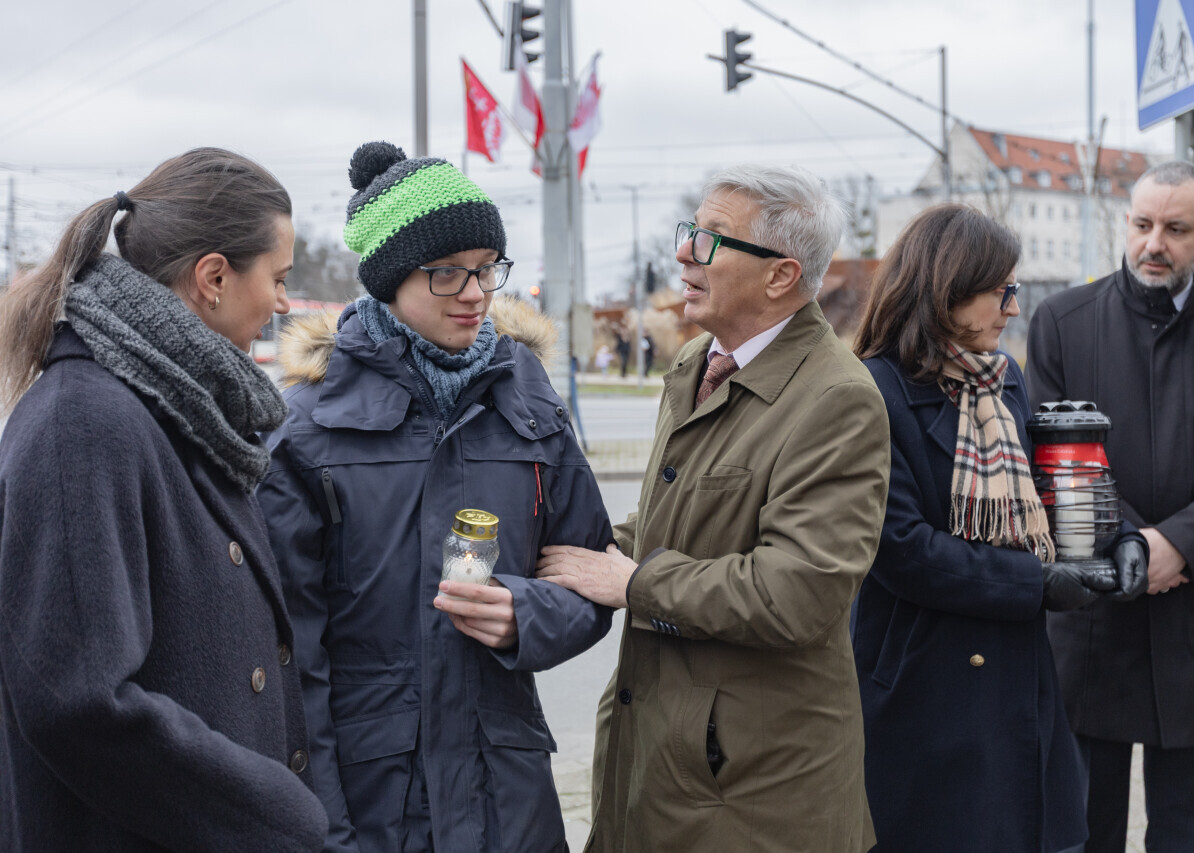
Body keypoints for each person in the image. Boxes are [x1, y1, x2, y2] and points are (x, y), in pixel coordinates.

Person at [258, 141, 615, 853]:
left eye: (487, 267)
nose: (477, 292)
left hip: (508, 803)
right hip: (372, 804)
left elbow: (591, 578)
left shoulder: (533, 404)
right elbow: (288, 657)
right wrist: (325, 832)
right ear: (390, 279)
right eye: (447, 272)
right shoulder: (308, 427)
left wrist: (525, 616)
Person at [536, 164, 890, 851]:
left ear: (780, 276)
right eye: (690, 230)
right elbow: (672, 522)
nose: (683, 253)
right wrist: (557, 552)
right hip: (661, 750)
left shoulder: (837, 399)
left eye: (710, 239)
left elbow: (798, 592)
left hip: (753, 788)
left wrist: (634, 583)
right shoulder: (700, 360)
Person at [0, 149, 326, 851]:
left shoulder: (175, 407)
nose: (283, 304)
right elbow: (78, 701)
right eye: (278, 279)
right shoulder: (83, 423)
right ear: (214, 278)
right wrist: (272, 815)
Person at [849, 203, 1148, 853]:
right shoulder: (872, 390)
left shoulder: (1001, 377)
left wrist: (1120, 537)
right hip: (922, 676)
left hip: (1014, 670)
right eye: (1001, 291)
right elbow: (899, 547)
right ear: (946, 289)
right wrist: (1034, 582)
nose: (1013, 309)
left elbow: (1046, 486)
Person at [1026, 160, 1194, 853]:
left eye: (1176, 228)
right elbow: (1049, 457)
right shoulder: (1062, 322)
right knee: (1081, 838)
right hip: (1092, 626)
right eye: (1142, 225)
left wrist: (1179, 546)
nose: (1153, 244)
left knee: (1183, 843)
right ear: (1125, 223)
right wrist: (1132, 541)